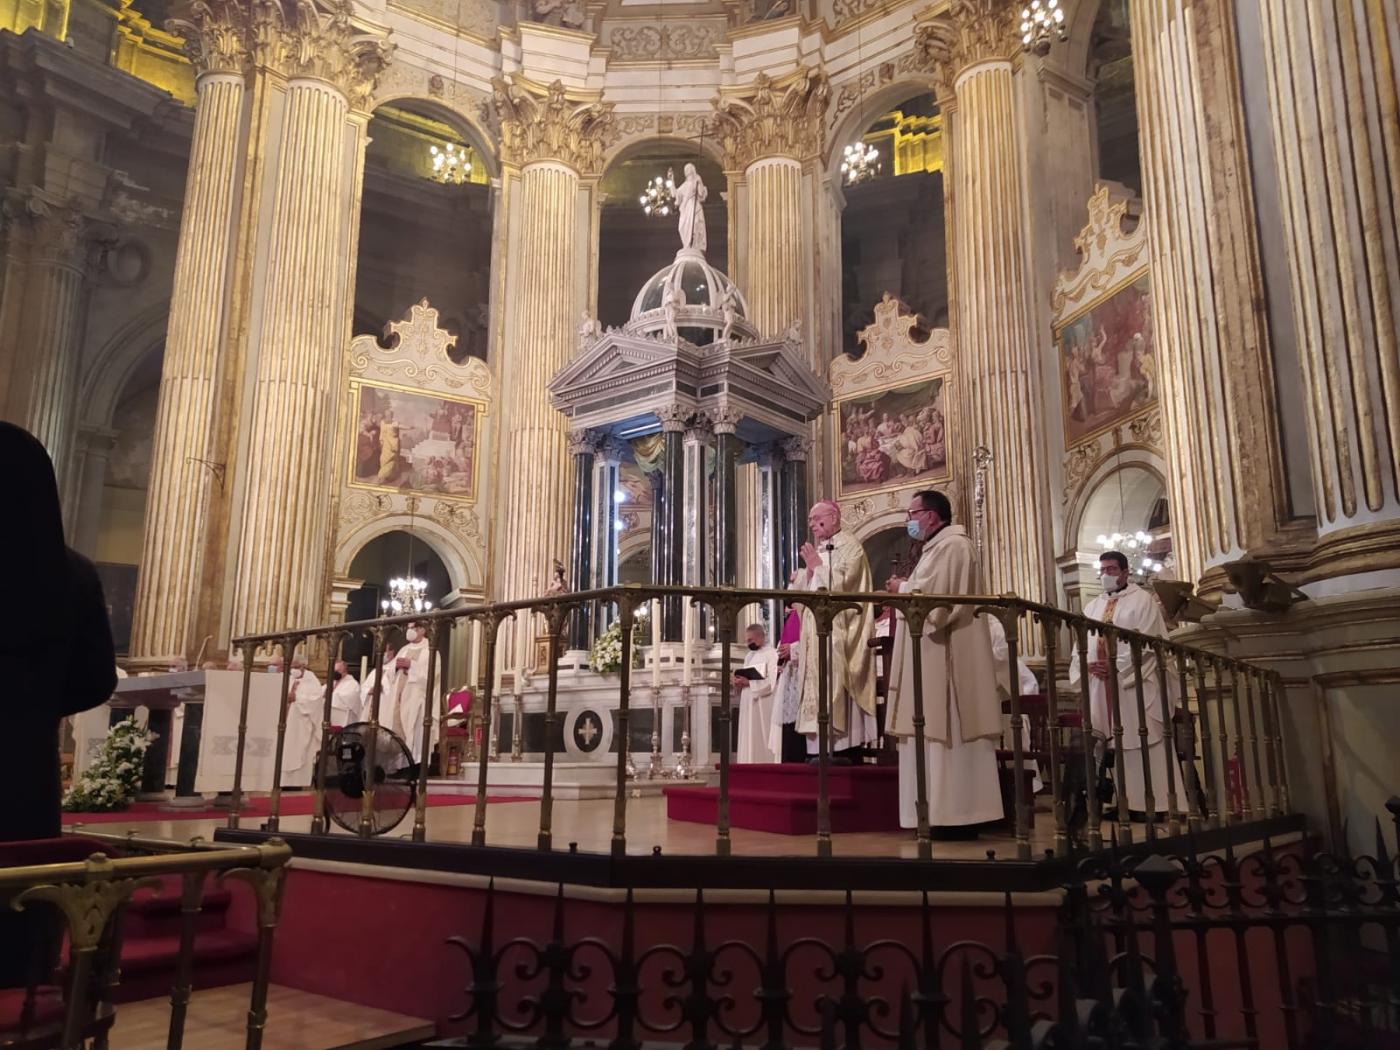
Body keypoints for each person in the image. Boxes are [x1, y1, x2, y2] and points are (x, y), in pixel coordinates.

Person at [2, 424, 117, 985]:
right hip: (22, 778)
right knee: (19, 903)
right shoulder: (73, 573)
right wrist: (32, 705)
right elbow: (95, 682)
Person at [886, 490, 1003, 838]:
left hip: (948, 659)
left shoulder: (954, 546)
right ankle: (933, 813)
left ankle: (956, 814)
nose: (909, 520)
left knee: (946, 731)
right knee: (929, 732)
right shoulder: (935, 549)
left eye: (912, 512)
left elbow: (939, 606)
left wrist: (902, 589)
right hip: (930, 657)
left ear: (932, 516)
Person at [1068, 550, 1183, 817]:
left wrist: (1116, 664)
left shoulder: (1142, 601)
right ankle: (1115, 800)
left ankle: (1148, 804)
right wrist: (1086, 664)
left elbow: (1149, 643)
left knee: (1137, 738)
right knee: (1105, 743)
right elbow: (1080, 645)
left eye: (1111, 569)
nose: (1106, 574)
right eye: (1103, 570)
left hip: (1131, 683)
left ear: (1125, 572)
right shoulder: (1092, 606)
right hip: (1100, 684)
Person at [791, 500, 877, 761]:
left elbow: (844, 586)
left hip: (839, 631)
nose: (812, 525)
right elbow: (802, 598)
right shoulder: (820, 550)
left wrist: (817, 566)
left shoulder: (851, 547)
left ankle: (842, 747)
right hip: (814, 632)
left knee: (834, 680)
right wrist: (804, 576)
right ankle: (818, 749)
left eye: (816, 518)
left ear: (834, 518)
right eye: (809, 520)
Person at [382, 623, 441, 765]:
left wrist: (412, 666)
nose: (410, 631)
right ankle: (398, 764)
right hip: (399, 696)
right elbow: (389, 671)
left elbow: (432, 677)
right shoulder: (404, 649)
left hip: (417, 699)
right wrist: (395, 667)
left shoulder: (431, 651)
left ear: (422, 630)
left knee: (414, 730)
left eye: (414, 628)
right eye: (408, 627)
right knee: (397, 727)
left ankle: (415, 764)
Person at [768, 596, 806, 762]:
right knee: (789, 725)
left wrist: (793, 649)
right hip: (790, 672)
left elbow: (814, 638)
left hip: (804, 672)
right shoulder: (793, 616)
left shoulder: (807, 613)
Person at [733, 623, 779, 763]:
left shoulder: (772, 654)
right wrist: (738, 681)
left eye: (750, 640)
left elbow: (773, 681)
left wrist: (750, 683)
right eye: (747, 640)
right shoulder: (749, 656)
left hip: (763, 704)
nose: (748, 643)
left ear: (760, 637)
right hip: (748, 702)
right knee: (748, 737)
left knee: (760, 737)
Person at [275, 657, 324, 788]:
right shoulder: (288, 677)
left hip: (300, 724)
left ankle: (296, 783)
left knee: (297, 749)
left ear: (303, 666)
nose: (293, 670)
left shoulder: (312, 681)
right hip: (283, 721)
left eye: (295, 667)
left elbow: (316, 701)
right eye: (291, 667)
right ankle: (278, 781)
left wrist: (298, 698)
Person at [675, 162, 708, 254]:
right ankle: (687, 245)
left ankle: (695, 245)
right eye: (686, 169)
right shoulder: (684, 185)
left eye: (689, 168)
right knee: (682, 227)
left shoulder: (696, 180)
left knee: (695, 225)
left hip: (694, 205)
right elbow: (676, 195)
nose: (687, 170)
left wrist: (699, 181)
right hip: (685, 208)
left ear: (692, 170)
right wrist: (671, 181)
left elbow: (701, 194)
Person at [330, 660, 362, 727]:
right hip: (331, 715)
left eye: (338, 671)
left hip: (344, 716)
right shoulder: (332, 682)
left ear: (345, 671)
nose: (336, 673)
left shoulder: (352, 683)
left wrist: (332, 695)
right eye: (334, 670)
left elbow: (349, 698)